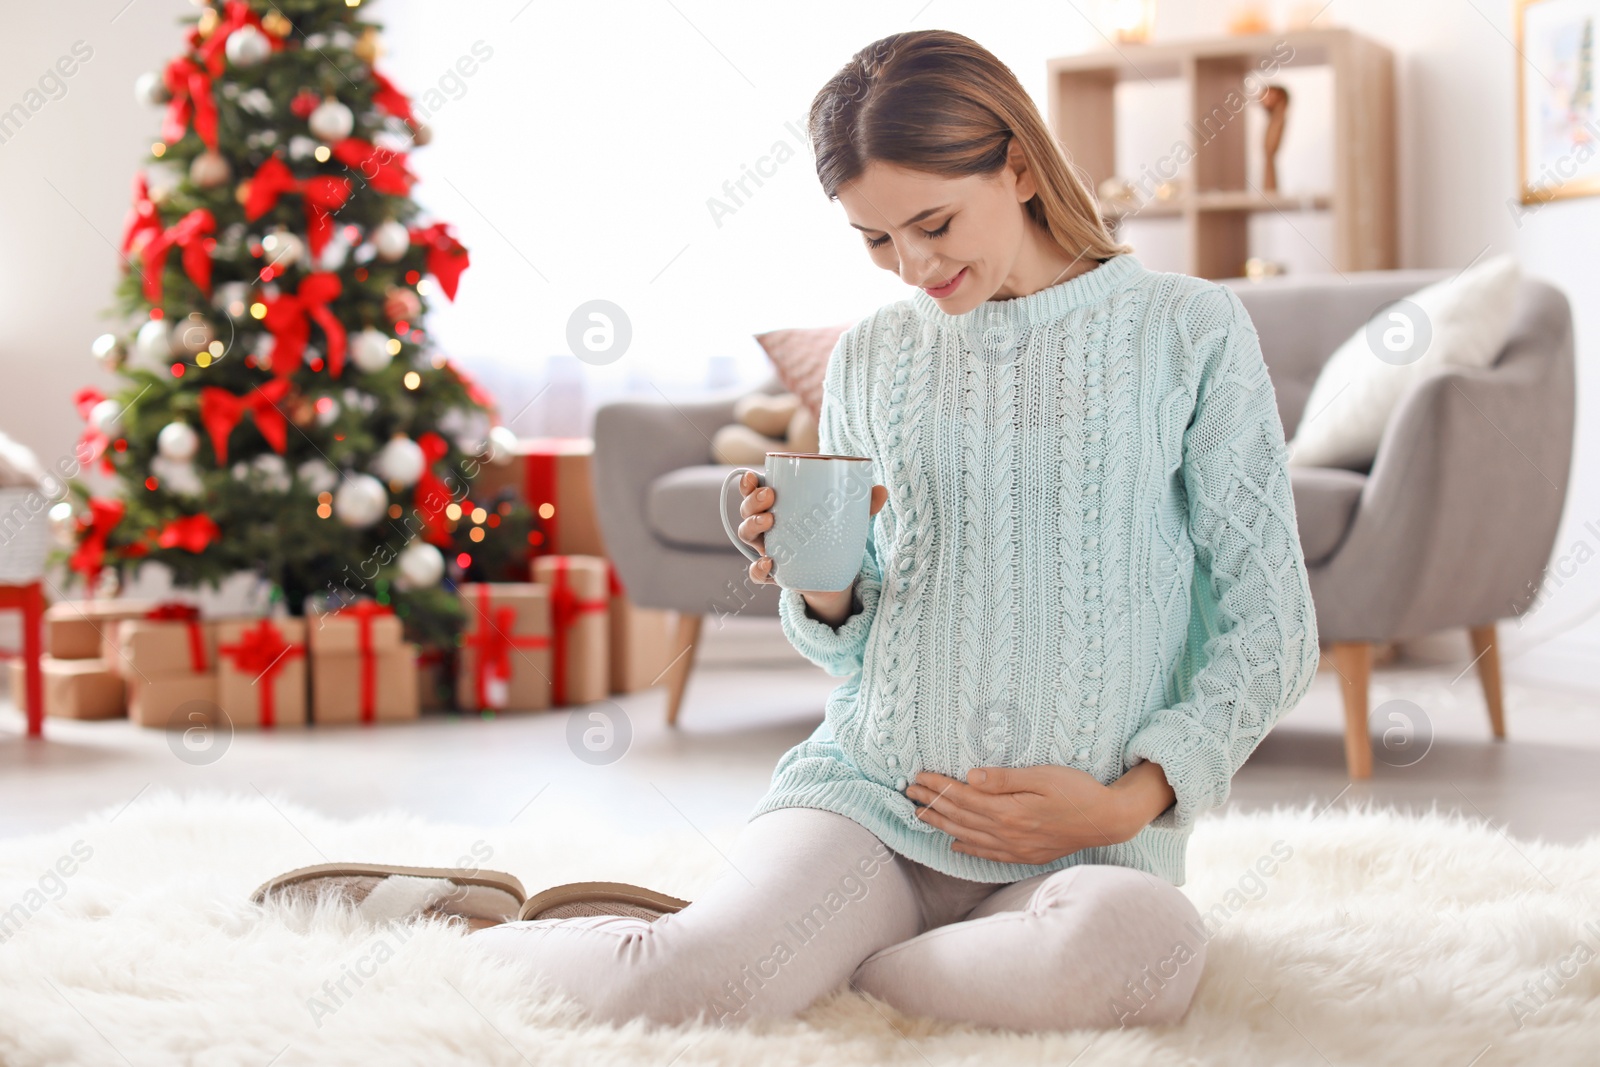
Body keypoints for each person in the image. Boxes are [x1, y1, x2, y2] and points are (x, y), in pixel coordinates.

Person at [257, 29, 1319, 1033]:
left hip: (1088, 850)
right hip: (876, 802)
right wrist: (817, 584)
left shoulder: (1187, 330)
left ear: (1020, 169)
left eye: (933, 225)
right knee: (680, 989)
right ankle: (492, 925)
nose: (909, 267)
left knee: (1143, 959)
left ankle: (799, 955)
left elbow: (1271, 618)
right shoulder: (876, 356)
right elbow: (854, 632)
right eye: (873, 239)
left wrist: (1118, 804)